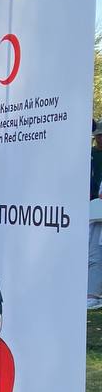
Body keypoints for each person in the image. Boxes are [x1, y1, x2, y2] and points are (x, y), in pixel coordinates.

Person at [87, 120, 102, 309]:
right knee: (93, 251)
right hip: (94, 207)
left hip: (96, 207)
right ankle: (92, 293)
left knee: (95, 253)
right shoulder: (91, 154)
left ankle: (93, 293)